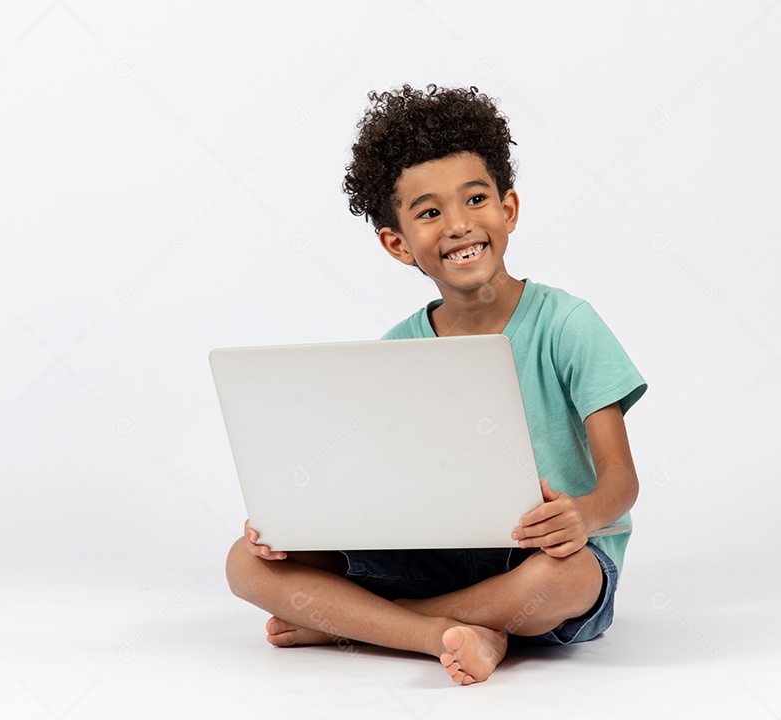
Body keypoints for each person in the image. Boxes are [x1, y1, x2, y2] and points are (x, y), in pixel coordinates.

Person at [226, 84, 647, 685]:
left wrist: (581, 515)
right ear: (398, 244)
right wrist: (291, 526)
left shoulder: (568, 325)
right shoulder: (397, 349)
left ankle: (362, 624)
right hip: (431, 552)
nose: (458, 225)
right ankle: (443, 633)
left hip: (541, 556)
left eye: (475, 199)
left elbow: (621, 483)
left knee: (571, 576)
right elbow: (370, 482)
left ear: (509, 209)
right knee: (246, 564)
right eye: (429, 212)